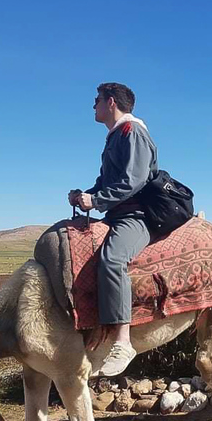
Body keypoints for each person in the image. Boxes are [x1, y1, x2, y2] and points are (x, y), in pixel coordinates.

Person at [68, 82, 157, 377]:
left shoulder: (133, 132)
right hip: (116, 214)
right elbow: (106, 183)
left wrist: (97, 200)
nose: (92, 106)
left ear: (110, 102)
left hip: (136, 216)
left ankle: (122, 340)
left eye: (96, 100)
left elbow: (135, 179)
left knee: (113, 259)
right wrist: (85, 197)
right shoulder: (115, 137)